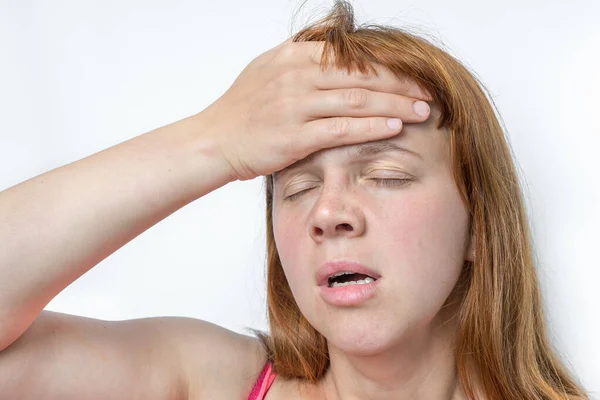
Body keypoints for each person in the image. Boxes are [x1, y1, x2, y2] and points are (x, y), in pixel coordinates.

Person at [0, 1, 589, 399]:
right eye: (299, 187)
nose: (329, 213)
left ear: (480, 228)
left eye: (385, 174)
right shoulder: (211, 381)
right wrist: (214, 140)